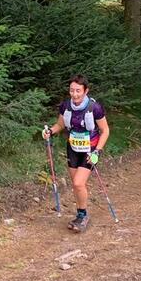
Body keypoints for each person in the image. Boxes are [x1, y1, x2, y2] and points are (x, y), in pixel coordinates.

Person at [42, 76, 109, 231]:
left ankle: (83, 216)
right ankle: (80, 215)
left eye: (78, 91)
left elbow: (105, 130)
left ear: (86, 91)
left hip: (90, 150)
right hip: (73, 148)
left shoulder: (95, 108)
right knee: (77, 185)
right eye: (72, 90)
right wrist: (50, 131)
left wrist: (97, 151)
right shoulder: (66, 106)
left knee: (78, 183)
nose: (75, 94)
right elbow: (60, 124)